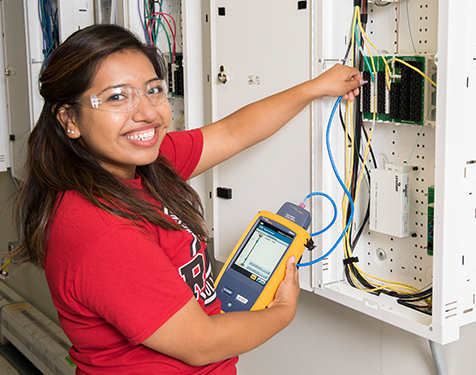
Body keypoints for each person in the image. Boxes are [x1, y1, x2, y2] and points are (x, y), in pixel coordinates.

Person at [12, 24, 361, 374]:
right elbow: (202, 343)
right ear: (70, 119)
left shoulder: (145, 163)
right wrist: (283, 312)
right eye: (118, 96)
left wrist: (316, 87)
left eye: (153, 90)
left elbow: (231, 133)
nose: (146, 111)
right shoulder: (98, 228)